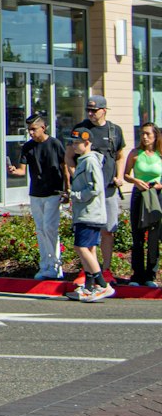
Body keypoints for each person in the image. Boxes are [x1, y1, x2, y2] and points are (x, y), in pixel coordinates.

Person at [7, 113, 66, 280]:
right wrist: (13, 171)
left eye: (33, 129)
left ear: (43, 127)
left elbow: (65, 168)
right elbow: (21, 170)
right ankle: (45, 265)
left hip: (53, 192)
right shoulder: (28, 147)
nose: (31, 133)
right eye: (29, 130)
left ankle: (55, 266)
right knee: (40, 230)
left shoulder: (55, 144)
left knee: (50, 228)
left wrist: (66, 190)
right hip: (36, 193)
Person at [74, 94, 125, 279]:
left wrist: (119, 176)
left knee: (107, 230)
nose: (90, 113)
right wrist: (74, 178)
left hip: (109, 189)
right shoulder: (81, 129)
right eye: (88, 110)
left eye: (94, 110)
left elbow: (119, 156)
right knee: (89, 230)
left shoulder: (114, 130)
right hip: (89, 193)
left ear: (104, 110)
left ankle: (106, 269)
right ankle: (89, 270)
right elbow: (69, 157)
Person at [65, 127, 114, 300]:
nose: (74, 146)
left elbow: (95, 188)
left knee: (81, 247)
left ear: (88, 143)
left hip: (90, 213)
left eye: (77, 143)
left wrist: (75, 195)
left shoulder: (90, 161)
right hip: (85, 213)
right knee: (90, 249)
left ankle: (102, 284)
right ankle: (88, 285)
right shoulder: (83, 160)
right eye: (72, 142)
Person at [122, 121, 162, 286]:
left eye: (148, 134)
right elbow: (125, 174)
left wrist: (159, 185)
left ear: (155, 136)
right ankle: (137, 275)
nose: (145, 137)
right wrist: (135, 180)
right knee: (137, 236)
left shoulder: (160, 154)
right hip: (139, 194)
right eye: (142, 134)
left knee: (154, 236)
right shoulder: (135, 153)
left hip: (156, 195)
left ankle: (150, 275)